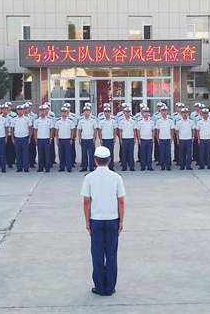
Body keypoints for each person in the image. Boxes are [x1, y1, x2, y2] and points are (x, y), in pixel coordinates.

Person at [81, 146, 126, 297]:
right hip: (112, 219)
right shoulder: (116, 177)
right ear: (109, 160)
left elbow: (86, 201)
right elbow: (121, 201)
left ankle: (99, 287)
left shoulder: (89, 178)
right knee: (111, 254)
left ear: (95, 160)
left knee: (97, 254)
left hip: (96, 220)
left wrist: (87, 221)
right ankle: (110, 287)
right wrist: (121, 221)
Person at [33, 105, 54, 173]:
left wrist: (51, 137)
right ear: (39, 111)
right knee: (40, 154)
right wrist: (35, 138)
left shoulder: (49, 120)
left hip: (47, 138)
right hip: (39, 138)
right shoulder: (36, 121)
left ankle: (47, 167)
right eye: (41, 111)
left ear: (46, 111)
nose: (42, 112)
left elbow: (51, 129)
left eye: (44, 110)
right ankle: (40, 167)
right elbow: (35, 130)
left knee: (47, 154)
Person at [13, 105, 33, 173]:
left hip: (25, 137)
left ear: (23, 110)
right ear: (17, 111)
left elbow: (30, 128)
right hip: (17, 137)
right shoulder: (14, 119)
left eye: (21, 110)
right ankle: (19, 167)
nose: (20, 111)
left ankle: (26, 167)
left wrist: (29, 137)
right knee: (18, 153)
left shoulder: (27, 119)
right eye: (18, 110)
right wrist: (13, 138)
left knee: (25, 153)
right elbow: (12, 129)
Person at [77, 105, 97, 172]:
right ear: (83, 112)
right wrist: (79, 139)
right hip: (84, 139)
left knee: (91, 154)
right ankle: (84, 167)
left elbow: (95, 129)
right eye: (85, 111)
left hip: (91, 139)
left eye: (87, 111)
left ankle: (91, 167)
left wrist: (94, 137)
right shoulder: (81, 121)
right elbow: (79, 130)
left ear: (90, 112)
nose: (86, 113)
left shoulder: (93, 120)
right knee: (84, 154)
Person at [56, 107, 75, 172]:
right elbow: (56, 131)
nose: (64, 113)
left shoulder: (70, 121)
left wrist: (72, 139)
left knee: (68, 154)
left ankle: (69, 167)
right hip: (61, 139)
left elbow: (72, 130)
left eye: (65, 112)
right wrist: (57, 139)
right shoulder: (58, 121)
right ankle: (62, 167)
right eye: (63, 112)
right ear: (61, 113)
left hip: (68, 139)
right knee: (61, 154)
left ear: (67, 113)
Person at [117, 105, 136, 171]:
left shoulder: (133, 120)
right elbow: (120, 131)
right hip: (124, 138)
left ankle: (131, 166)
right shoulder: (121, 121)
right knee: (124, 153)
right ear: (124, 112)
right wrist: (120, 139)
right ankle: (124, 166)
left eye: (128, 112)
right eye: (126, 112)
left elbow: (135, 130)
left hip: (131, 138)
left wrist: (135, 138)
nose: (127, 113)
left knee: (131, 153)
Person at [155, 105, 174, 171]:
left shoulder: (170, 120)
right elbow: (157, 130)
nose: (164, 112)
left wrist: (171, 138)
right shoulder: (158, 121)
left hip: (168, 138)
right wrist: (157, 138)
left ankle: (168, 166)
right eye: (162, 111)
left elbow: (172, 130)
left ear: (167, 111)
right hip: (161, 138)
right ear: (160, 112)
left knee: (168, 153)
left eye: (165, 111)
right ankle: (162, 166)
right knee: (161, 153)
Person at [136, 107, 154, 171]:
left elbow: (153, 130)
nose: (145, 114)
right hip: (142, 139)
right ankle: (143, 166)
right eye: (144, 112)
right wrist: (139, 139)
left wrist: (153, 138)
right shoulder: (140, 122)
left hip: (149, 139)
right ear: (142, 113)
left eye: (147, 112)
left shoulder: (151, 122)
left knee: (149, 153)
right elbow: (138, 131)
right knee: (143, 153)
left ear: (148, 113)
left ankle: (149, 166)